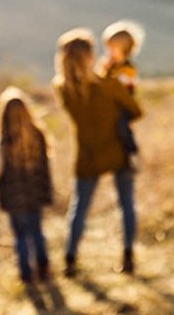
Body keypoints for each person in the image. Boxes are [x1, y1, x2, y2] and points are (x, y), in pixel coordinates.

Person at [53, 28, 143, 276]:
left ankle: (70, 259)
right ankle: (128, 256)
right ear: (90, 57)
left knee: (79, 207)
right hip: (118, 150)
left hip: (87, 154)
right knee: (126, 203)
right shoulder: (109, 85)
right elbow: (136, 111)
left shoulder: (62, 88)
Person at [0, 87, 53, 284]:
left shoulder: (3, 143)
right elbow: (45, 169)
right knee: (37, 233)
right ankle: (44, 269)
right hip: (36, 196)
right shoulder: (39, 136)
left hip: (13, 200)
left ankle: (26, 275)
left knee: (21, 237)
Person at [97, 20, 146, 169]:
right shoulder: (108, 66)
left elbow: (127, 90)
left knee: (122, 127)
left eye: (113, 48)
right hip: (108, 106)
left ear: (124, 49)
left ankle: (133, 152)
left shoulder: (129, 69)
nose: (109, 52)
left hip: (124, 106)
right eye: (108, 48)